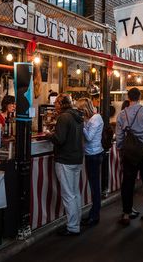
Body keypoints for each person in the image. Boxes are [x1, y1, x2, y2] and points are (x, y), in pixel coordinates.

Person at [116, 87, 143, 226]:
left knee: (127, 183)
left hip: (129, 153)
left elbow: (120, 137)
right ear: (140, 97)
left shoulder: (122, 114)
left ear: (128, 97)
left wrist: (120, 148)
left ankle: (126, 214)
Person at [47, 94, 84, 236]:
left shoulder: (63, 117)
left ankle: (73, 226)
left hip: (65, 159)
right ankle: (76, 222)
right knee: (75, 192)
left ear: (62, 104)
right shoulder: (77, 116)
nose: (55, 105)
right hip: (76, 158)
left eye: (56, 102)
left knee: (68, 194)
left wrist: (49, 135)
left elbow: (59, 139)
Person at [76, 97, 104, 226]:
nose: (78, 112)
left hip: (94, 154)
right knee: (93, 185)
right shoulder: (92, 118)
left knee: (95, 186)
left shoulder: (95, 119)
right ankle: (94, 213)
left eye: (79, 109)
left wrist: (81, 124)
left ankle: (95, 215)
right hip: (91, 153)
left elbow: (88, 137)